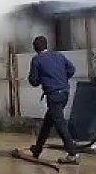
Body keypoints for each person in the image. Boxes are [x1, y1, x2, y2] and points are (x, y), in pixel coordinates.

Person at [27, 35, 81, 165]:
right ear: (46, 45)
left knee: (60, 123)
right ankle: (37, 150)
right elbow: (71, 70)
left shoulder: (37, 60)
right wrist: (61, 78)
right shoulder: (58, 55)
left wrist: (41, 79)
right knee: (47, 123)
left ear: (35, 48)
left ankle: (73, 153)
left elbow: (34, 81)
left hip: (54, 95)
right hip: (64, 93)